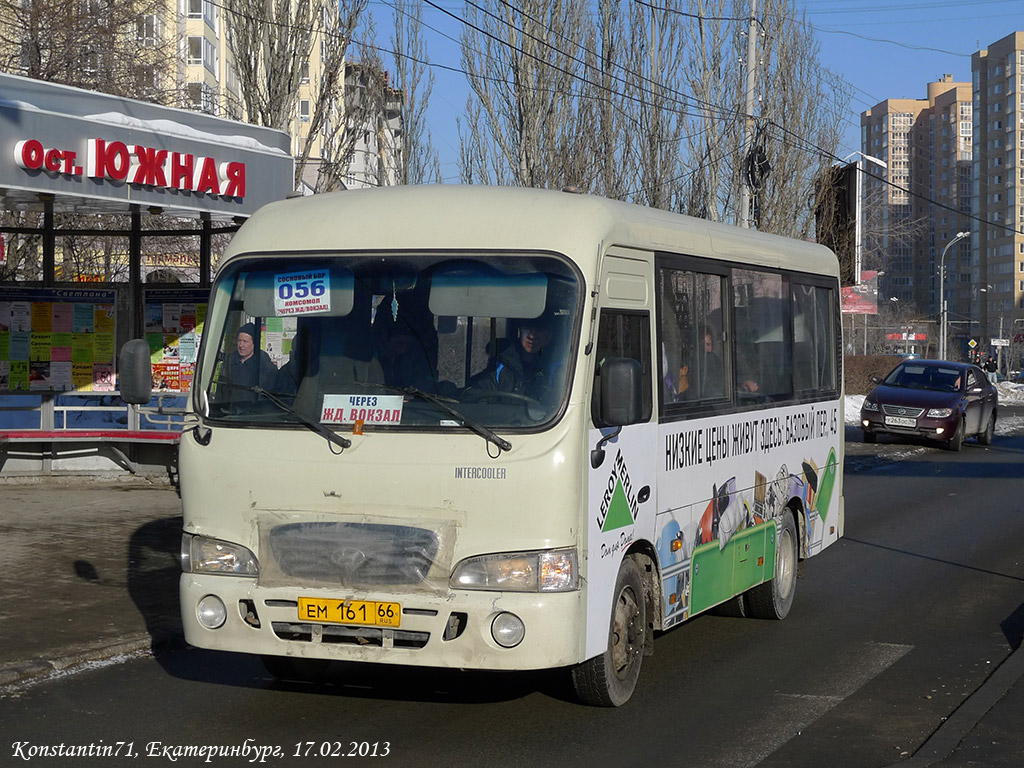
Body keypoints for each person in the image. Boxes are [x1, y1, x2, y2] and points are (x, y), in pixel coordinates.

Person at [495, 319, 556, 400]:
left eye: (540, 330)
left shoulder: (561, 369)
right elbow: (480, 391)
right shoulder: (501, 365)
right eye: (527, 329)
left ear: (550, 335)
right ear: (520, 331)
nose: (532, 336)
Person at [221, 322, 277, 402]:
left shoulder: (265, 367)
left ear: (255, 343)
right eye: (239, 341)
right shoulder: (229, 362)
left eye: (245, 341)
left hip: (253, 411)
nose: (241, 345)